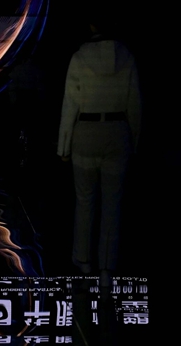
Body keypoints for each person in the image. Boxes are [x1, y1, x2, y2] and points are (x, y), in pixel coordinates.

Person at [57, 21, 141, 287]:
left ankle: (84, 261)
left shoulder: (79, 57)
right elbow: (135, 103)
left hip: (86, 132)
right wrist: (135, 142)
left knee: (84, 201)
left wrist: (63, 147)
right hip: (118, 132)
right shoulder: (127, 57)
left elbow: (70, 104)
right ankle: (106, 267)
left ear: (91, 25)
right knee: (112, 205)